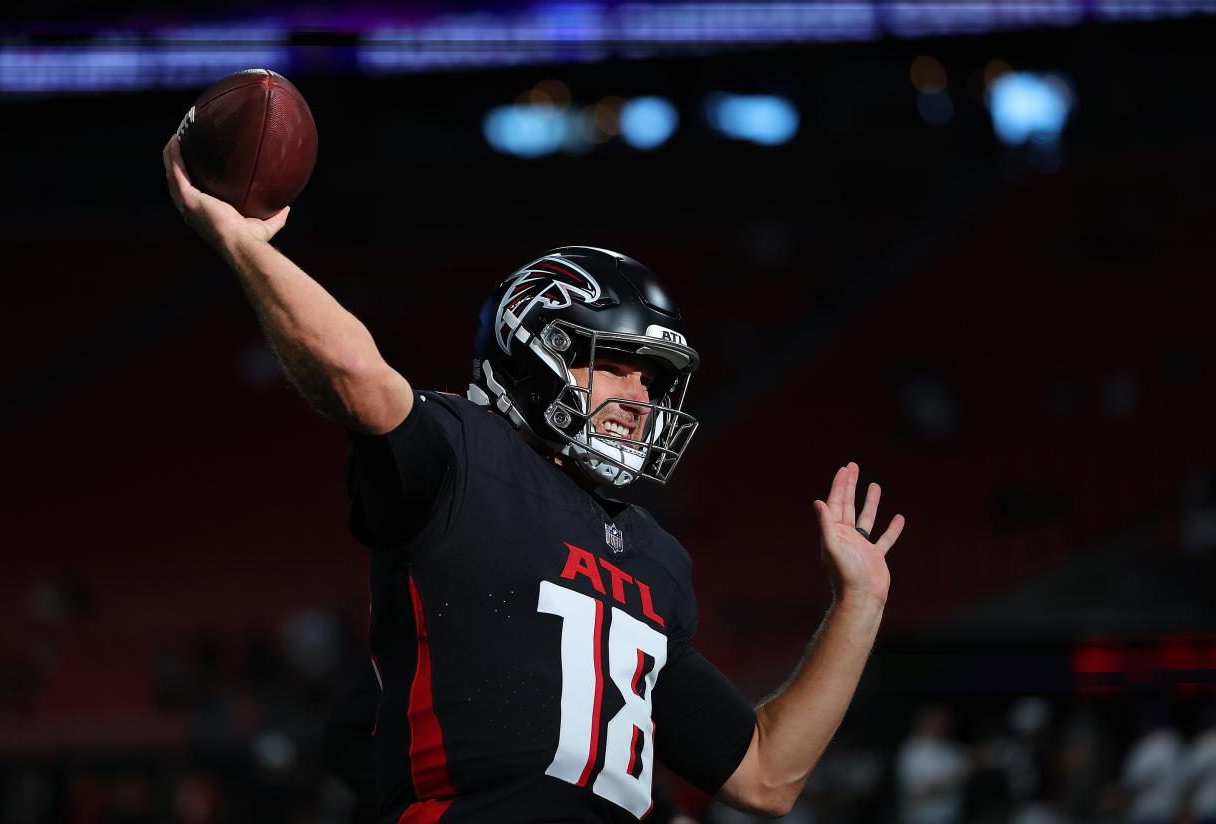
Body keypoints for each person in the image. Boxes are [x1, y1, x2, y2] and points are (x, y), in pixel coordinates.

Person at [163, 134, 905, 822]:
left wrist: (859, 604)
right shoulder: (461, 457)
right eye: (615, 363)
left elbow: (767, 776)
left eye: (651, 379)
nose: (639, 397)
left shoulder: (652, 555)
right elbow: (354, 373)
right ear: (534, 347)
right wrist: (242, 244)